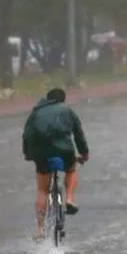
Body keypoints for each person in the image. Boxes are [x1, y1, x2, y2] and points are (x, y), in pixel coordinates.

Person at [22, 88, 89, 240]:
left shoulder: (35, 112)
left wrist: (28, 155)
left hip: (41, 153)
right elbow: (79, 134)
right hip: (64, 150)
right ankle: (69, 199)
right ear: (62, 100)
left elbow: (26, 135)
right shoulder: (67, 111)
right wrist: (84, 154)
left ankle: (40, 228)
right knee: (71, 170)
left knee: (42, 190)